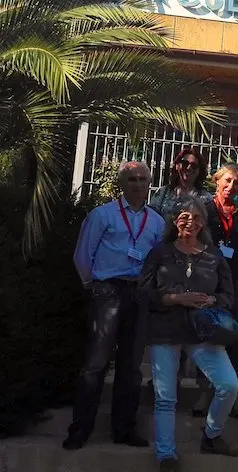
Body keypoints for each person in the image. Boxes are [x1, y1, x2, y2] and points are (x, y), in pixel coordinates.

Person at [138, 197, 238, 472]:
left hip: (202, 331)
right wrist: (173, 298)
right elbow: (143, 292)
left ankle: (211, 434)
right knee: (166, 397)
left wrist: (213, 301)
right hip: (165, 330)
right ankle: (166, 458)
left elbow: (228, 294)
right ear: (174, 220)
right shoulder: (160, 253)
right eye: (184, 216)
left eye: (195, 217)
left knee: (228, 384)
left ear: (202, 223)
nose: (189, 221)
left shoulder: (213, 256)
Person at [64, 161, 165, 451]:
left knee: (131, 368)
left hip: (139, 295)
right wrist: (92, 286)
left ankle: (124, 430)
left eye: (142, 179)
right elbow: (83, 254)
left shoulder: (156, 222)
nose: (137, 184)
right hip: (108, 291)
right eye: (131, 179)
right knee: (95, 365)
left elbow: (158, 263)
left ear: (149, 184)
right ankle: (80, 430)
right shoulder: (102, 215)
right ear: (122, 183)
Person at [192, 164, 238, 419]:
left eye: (237, 183)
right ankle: (205, 390)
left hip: (236, 286)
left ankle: (236, 390)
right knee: (206, 335)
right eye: (227, 181)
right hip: (208, 283)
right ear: (217, 182)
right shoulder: (203, 210)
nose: (231, 187)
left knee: (237, 337)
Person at [150, 147, 213, 217]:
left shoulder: (207, 199)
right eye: (185, 163)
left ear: (199, 171)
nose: (189, 168)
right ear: (177, 166)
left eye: (194, 166)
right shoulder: (162, 193)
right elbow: (151, 218)